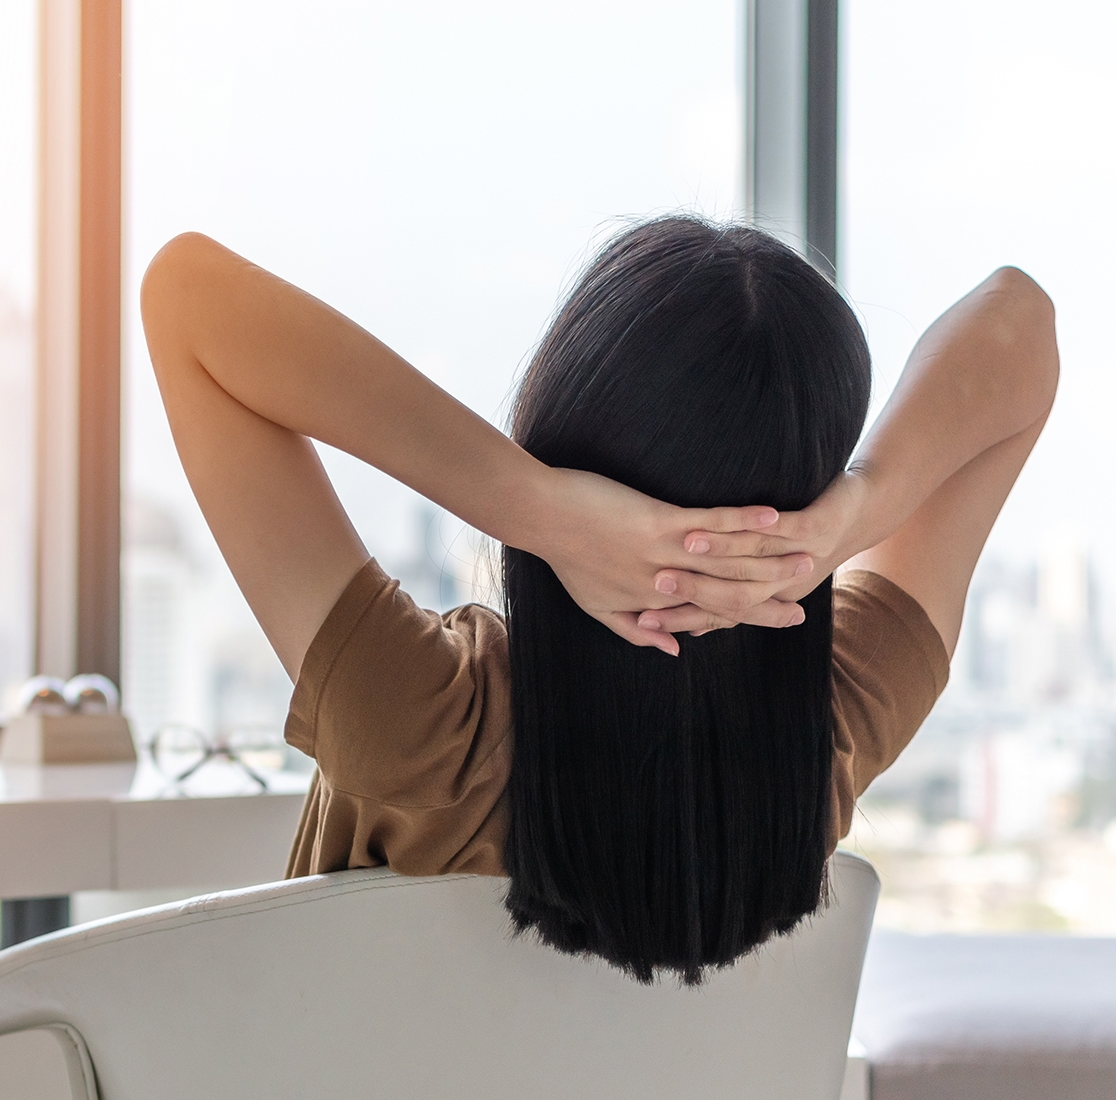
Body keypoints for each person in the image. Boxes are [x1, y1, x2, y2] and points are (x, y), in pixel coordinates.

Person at [138, 216, 1058, 983]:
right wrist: (857, 511)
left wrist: (535, 508)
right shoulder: (839, 725)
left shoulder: (421, 726)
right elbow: (1022, 321)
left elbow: (186, 296)